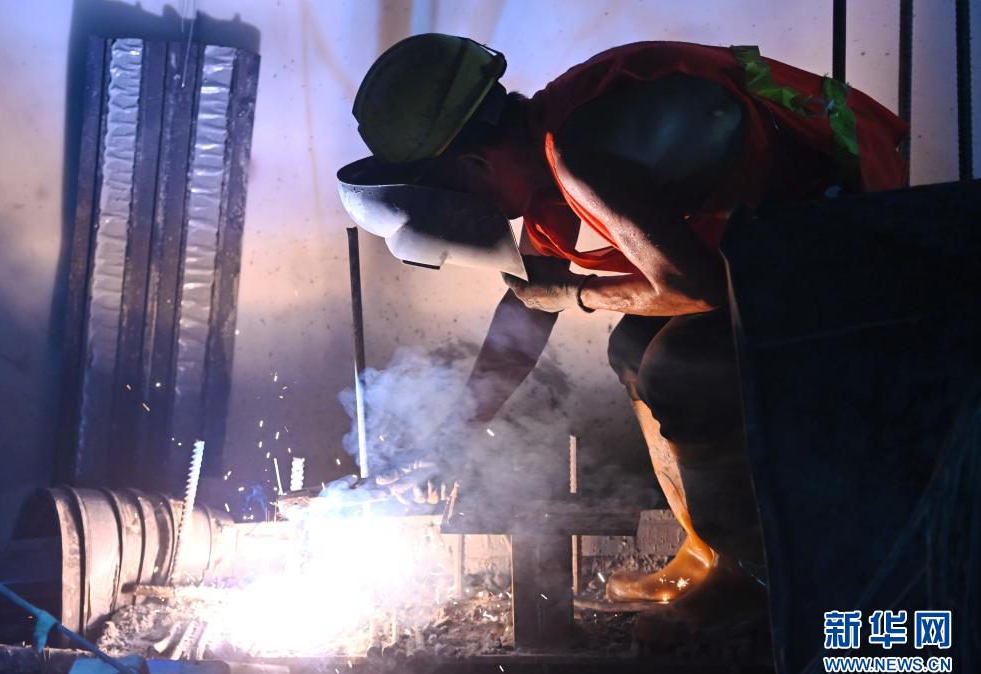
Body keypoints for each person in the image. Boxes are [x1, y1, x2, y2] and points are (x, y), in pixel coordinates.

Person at [338, 34, 908, 606]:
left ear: (475, 162)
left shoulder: (581, 159)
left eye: (458, 193)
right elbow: (528, 311)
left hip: (858, 239)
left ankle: (758, 581)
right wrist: (455, 434)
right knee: (633, 344)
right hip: (795, 237)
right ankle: (707, 552)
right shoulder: (551, 139)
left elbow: (697, 288)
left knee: (679, 365)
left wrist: (577, 294)